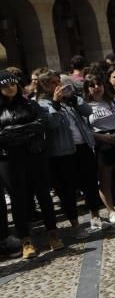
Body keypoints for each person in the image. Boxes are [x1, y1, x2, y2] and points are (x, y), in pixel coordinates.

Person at [0, 71, 62, 258]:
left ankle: (53, 233)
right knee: (18, 199)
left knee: (43, 194)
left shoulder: (30, 103)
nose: (10, 88)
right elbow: (1, 135)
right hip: (8, 159)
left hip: (34, 154)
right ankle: (26, 241)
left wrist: (13, 131)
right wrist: (25, 130)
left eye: (12, 84)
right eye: (4, 85)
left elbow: (42, 123)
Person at [36, 73, 106, 234]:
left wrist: (73, 99)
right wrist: (55, 102)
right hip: (62, 152)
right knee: (67, 190)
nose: (57, 85)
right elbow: (52, 124)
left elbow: (88, 111)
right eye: (52, 83)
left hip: (83, 146)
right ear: (45, 86)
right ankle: (75, 225)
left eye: (57, 81)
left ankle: (95, 217)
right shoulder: (42, 104)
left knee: (90, 183)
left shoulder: (70, 99)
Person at [83, 76, 115, 225]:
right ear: (87, 89)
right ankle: (112, 211)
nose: (96, 87)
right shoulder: (86, 107)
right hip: (100, 144)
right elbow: (85, 130)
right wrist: (103, 138)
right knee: (106, 181)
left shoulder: (112, 101)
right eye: (92, 85)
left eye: (99, 83)